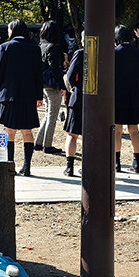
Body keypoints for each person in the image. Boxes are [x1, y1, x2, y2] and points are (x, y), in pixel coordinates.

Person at [0, 19, 43, 176]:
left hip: (9, 95)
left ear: (13, 30)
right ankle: (27, 166)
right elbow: (38, 75)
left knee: (10, 131)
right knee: (27, 132)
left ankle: (10, 165)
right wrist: (39, 96)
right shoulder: (35, 48)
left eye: (9, 29)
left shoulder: (5, 47)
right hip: (28, 96)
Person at [114, 25, 139, 173]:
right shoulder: (138, 53)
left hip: (117, 95)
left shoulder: (113, 53)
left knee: (117, 130)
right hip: (134, 94)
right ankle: (136, 162)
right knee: (134, 130)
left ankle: (116, 162)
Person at [35, 21, 66, 155]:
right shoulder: (53, 47)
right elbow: (55, 68)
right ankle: (47, 145)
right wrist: (62, 85)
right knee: (52, 116)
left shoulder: (41, 46)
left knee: (48, 114)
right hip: (52, 85)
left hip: (43, 84)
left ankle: (38, 142)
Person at [63, 32, 84, 177]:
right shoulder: (105, 53)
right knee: (91, 135)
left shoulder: (80, 53)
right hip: (98, 99)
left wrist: (75, 85)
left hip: (78, 97)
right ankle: (88, 165)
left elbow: (70, 76)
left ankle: (69, 167)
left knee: (72, 134)